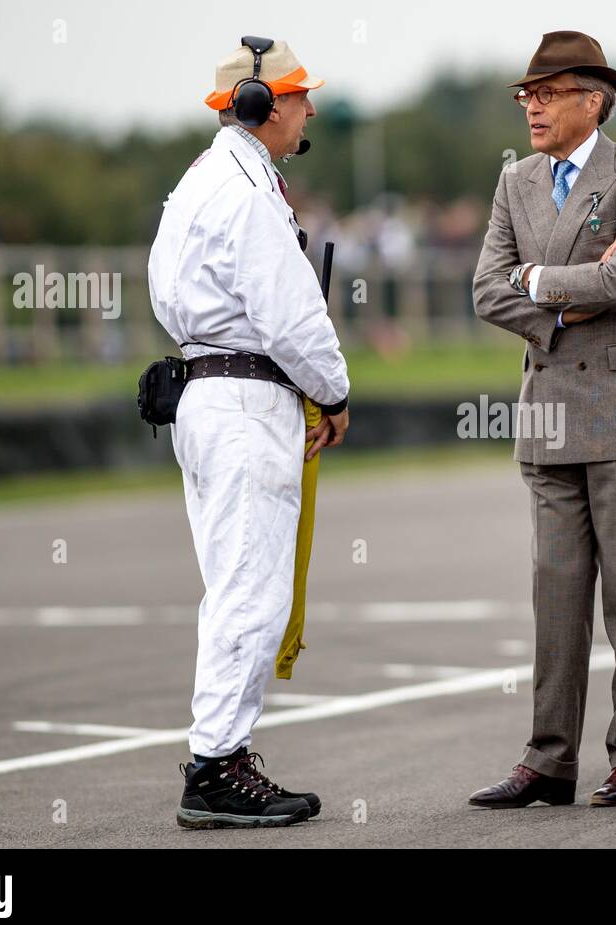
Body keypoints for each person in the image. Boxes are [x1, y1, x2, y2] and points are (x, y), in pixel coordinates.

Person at [469, 30, 616, 809]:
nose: (531, 106)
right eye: (525, 95)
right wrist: (554, 312)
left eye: (546, 92)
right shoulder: (516, 183)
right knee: (556, 594)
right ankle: (548, 760)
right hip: (549, 416)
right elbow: (485, 291)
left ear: (593, 99)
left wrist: (535, 278)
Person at [148, 36, 351, 827]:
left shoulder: (201, 179)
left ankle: (219, 757)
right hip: (244, 400)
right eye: (298, 96)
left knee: (234, 585)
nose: (308, 107)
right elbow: (291, 314)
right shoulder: (247, 191)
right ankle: (216, 767)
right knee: (251, 590)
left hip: (207, 392)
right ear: (262, 106)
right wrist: (334, 391)